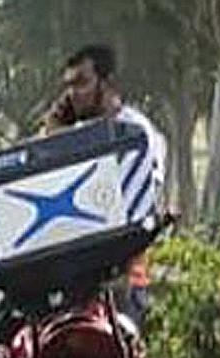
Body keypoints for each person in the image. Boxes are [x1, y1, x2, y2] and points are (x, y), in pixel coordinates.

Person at [40, 44, 167, 329]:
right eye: (69, 86)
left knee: (131, 345)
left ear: (107, 83)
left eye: (82, 82)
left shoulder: (136, 131)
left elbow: (146, 192)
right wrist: (53, 130)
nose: (73, 93)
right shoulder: (74, 135)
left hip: (125, 263)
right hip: (74, 265)